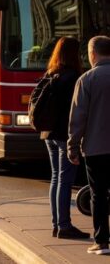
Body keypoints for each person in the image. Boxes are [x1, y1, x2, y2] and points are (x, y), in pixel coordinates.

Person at [41, 38, 90, 239]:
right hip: (64, 135)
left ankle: (57, 223)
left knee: (56, 178)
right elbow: (77, 110)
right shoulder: (74, 78)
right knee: (65, 180)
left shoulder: (51, 74)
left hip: (49, 134)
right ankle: (64, 225)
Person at [68, 36, 110, 255]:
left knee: (98, 194)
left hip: (96, 147)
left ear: (92, 54)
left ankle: (102, 241)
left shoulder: (86, 80)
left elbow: (78, 118)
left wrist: (72, 147)